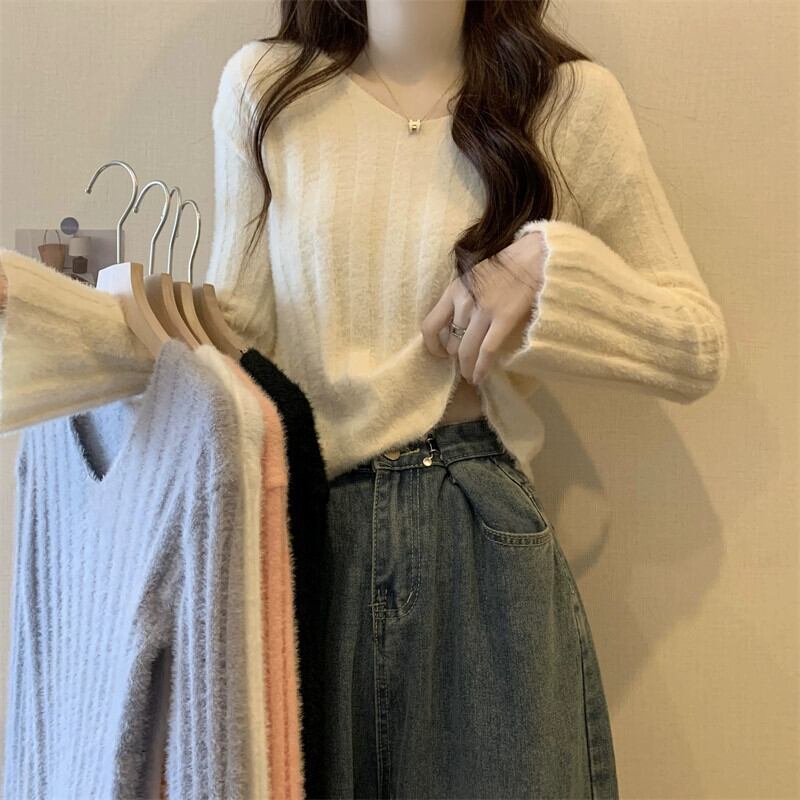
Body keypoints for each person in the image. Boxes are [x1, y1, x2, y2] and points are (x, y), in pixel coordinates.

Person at [0, 0, 729, 797]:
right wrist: (40, 311)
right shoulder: (268, 89)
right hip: (313, 543)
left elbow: (693, 342)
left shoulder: (564, 102)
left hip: (478, 543)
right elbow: (237, 340)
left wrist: (547, 268)